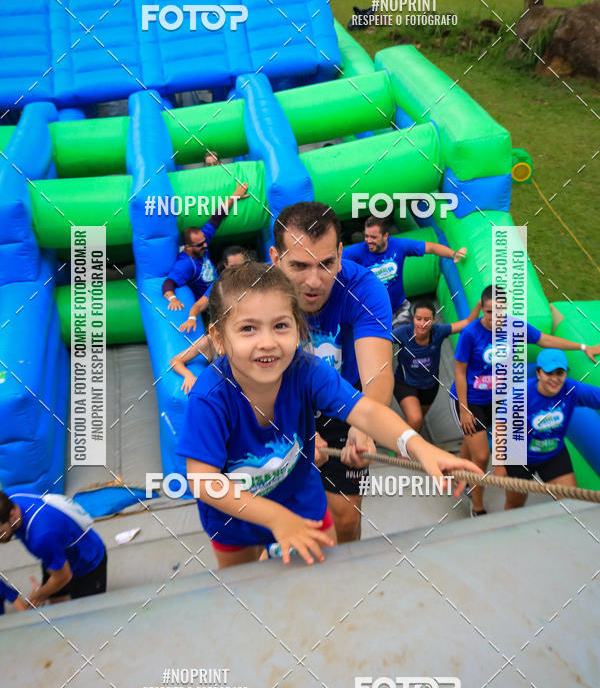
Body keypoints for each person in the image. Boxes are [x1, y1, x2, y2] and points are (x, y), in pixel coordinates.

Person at [178, 263, 481, 568]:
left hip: (300, 501)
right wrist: (276, 519)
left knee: (323, 580)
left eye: (281, 325)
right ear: (218, 338)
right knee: (245, 589)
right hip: (235, 519)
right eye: (248, 328)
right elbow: (204, 482)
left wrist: (419, 447)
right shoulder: (210, 398)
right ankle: (263, 548)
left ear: (298, 327)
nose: (267, 342)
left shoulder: (305, 370)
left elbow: (365, 410)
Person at [269, 202, 394, 543]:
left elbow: (378, 371)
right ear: (275, 258)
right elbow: (248, 379)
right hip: (282, 403)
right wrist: (296, 425)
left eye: (326, 264)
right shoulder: (258, 295)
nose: (314, 281)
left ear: (341, 252)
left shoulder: (364, 288)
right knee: (284, 518)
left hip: (345, 403)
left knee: (346, 519)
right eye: (299, 265)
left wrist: (364, 422)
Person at [451, 285, 600, 516]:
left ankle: (460, 472)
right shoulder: (470, 333)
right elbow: (460, 372)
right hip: (471, 399)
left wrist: (583, 346)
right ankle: (476, 505)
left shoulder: (515, 327)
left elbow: (545, 341)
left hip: (499, 398)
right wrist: (463, 409)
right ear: (482, 309)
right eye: (489, 312)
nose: (495, 318)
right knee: (481, 455)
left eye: (500, 311)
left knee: (471, 443)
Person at [496, 349, 600, 510]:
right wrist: (499, 463)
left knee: (573, 503)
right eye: (549, 373)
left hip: (553, 454)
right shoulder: (520, 394)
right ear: (538, 373)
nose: (555, 379)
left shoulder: (572, 390)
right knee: (515, 503)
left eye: (560, 373)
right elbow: (501, 424)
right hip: (519, 456)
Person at [343, 216, 467, 326]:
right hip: (372, 311)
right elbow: (334, 258)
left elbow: (431, 247)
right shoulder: (358, 251)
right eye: (366, 236)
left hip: (399, 308)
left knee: (407, 341)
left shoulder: (398, 245)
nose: (369, 240)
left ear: (385, 235)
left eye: (373, 237)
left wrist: (453, 254)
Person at [0, 492, 107, 605]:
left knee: (87, 616)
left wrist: (38, 595)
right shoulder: (11, 497)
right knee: (57, 608)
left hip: (87, 562)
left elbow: (63, 577)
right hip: (54, 550)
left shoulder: (40, 537)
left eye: (1, 533)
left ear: (12, 514)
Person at [393, 298, 481, 433]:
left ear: (433, 320)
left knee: (417, 420)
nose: (422, 324)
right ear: (413, 319)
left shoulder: (438, 331)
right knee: (415, 419)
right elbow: (381, 340)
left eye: (427, 319)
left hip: (429, 386)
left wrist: (480, 303)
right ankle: (401, 451)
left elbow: (468, 322)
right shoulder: (403, 333)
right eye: (419, 319)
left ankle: (407, 440)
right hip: (405, 383)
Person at [162, 182, 250, 313]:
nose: (205, 245)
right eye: (199, 245)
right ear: (188, 247)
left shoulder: (202, 241)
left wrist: (234, 197)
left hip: (220, 287)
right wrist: (173, 299)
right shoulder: (186, 264)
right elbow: (168, 283)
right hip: (210, 305)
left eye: (204, 242)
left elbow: (216, 218)